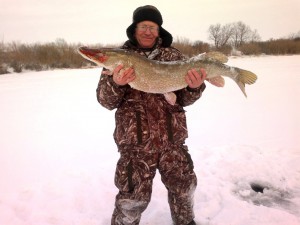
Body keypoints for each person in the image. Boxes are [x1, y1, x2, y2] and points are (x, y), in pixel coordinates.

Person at [96, 5, 207, 225]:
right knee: (131, 198)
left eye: (153, 27)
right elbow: (105, 101)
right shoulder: (119, 58)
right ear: (135, 28)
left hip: (172, 141)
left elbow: (185, 99)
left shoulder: (173, 56)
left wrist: (194, 88)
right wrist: (116, 84)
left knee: (183, 190)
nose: (148, 31)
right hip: (136, 145)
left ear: (159, 30)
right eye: (143, 26)